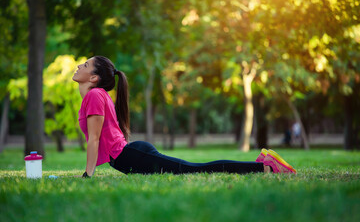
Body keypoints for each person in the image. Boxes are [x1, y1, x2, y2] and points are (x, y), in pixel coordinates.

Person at [72, 56, 296, 178]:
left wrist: (88, 175)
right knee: (192, 168)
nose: (78, 66)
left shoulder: (94, 96)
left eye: (85, 64)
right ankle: (262, 166)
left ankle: (264, 167)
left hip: (132, 155)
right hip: (131, 155)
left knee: (196, 169)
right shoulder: (95, 96)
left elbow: (94, 139)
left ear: (93, 78)